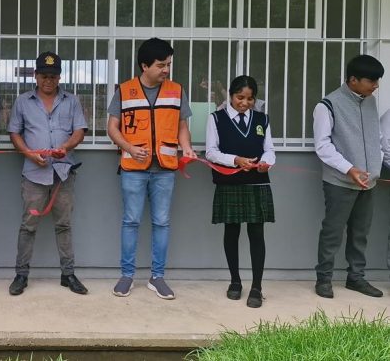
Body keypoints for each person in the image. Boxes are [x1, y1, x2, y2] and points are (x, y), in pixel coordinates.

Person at [106, 37, 197, 300]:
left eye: (168, 64)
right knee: (131, 221)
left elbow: (182, 127)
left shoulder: (176, 91)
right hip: (133, 167)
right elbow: (112, 127)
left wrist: (187, 147)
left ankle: (157, 278)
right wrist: (131, 148)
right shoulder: (124, 91)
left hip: (165, 168)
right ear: (144, 65)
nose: (166, 70)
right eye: (161, 65)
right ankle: (127, 276)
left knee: (162, 222)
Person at [7, 52, 88, 296]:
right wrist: (29, 153)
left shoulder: (71, 101)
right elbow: (14, 133)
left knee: (64, 225)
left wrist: (67, 147)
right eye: (44, 76)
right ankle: (21, 275)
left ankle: (68, 274)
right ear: (36, 75)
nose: (48, 81)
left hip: (63, 173)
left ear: (59, 77)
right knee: (28, 226)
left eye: (53, 76)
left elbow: (79, 131)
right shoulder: (23, 101)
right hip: (34, 174)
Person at [313, 54, 389, 299]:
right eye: (372, 81)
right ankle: (323, 279)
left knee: (360, 233)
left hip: (368, 182)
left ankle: (356, 278)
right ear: (353, 80)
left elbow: (377, 138)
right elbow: (323, 146)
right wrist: (349, 169)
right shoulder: (328, 105)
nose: (376, 85)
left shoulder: (370, 102)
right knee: (333, 231)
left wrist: (375, 167)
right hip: (340, 182)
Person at [205, 75, 275, 308]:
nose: (244, 103)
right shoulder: (216, 118)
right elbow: (211, 152)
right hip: (229, 183)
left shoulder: (262, 119)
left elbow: (270, 150)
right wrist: (236, 160)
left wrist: (266, 162)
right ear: (230, 96)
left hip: (257, 182)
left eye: (250, 99)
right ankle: (235, 281)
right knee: (231, 231)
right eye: (240, 97)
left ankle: (257, 286)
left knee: (257, 234)